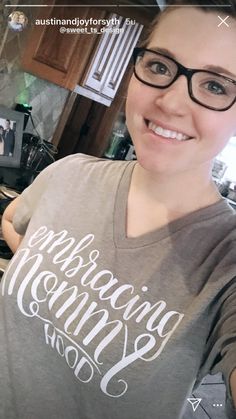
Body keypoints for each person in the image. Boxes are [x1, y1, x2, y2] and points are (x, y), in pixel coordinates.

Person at [1, 1, 236, 419]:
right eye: (161, 66)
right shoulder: (70, 173)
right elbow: (10, 217)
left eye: (216, 86)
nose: (171, 103)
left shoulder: (227, 260)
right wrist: (45, 278)